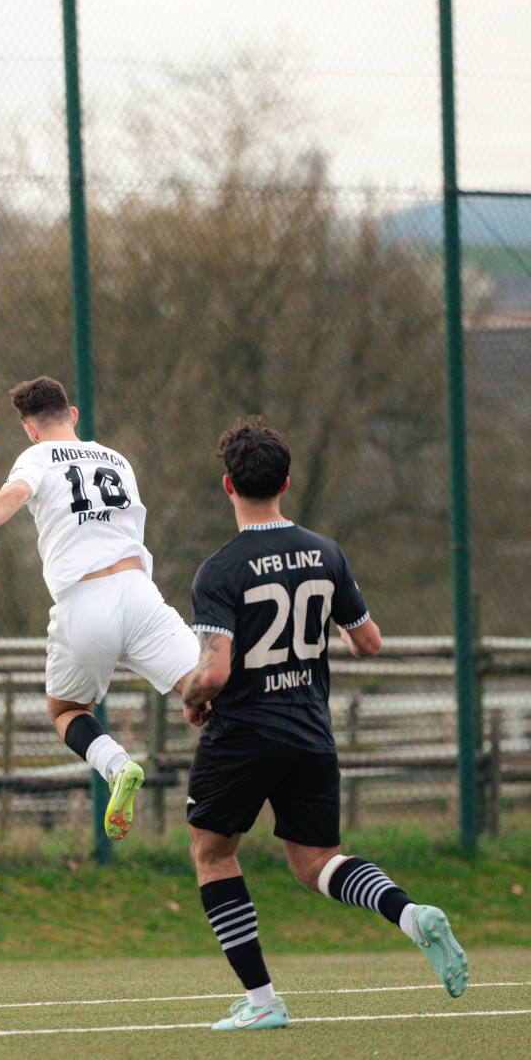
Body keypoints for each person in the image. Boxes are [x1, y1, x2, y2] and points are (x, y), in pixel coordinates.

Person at [182, 416, 468, 1031]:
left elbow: (214, 672)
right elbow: (368, 642)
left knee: (212, 854)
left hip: (245, 733)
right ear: (286, 481)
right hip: (311, 731)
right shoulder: (326, 551)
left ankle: (262, 1003)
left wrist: (190, 694)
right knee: (317, 864)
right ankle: (410, 914)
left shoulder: (219, 570)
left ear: (228, 486)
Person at [0, 376, 199, 840]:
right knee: (205, 690)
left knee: (66, 711)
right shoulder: (117, 459)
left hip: (85, 602)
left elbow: (15, 494)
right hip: (140, 594)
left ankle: (116, 765)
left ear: (30, 430)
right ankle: (265, 768)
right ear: (73, 415)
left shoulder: (36, 457)